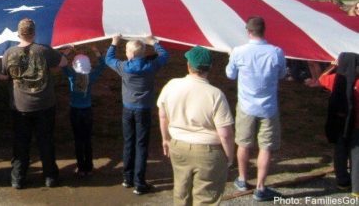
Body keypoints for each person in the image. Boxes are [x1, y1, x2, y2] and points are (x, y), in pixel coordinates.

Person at [157, 46, 235, 205]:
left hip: (178, 146)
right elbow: (225, 133)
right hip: (208, 151)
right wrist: (229, 155)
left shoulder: (172, 85)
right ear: (210, 68)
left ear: (188, 65)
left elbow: (163, 115)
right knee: (206, 198)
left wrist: (165, 139)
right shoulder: (215, 94)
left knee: (181, 192)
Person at [0, 18, 68, 189]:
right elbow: (63, 63)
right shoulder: (44, 50)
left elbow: (2, 76)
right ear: (34, 33)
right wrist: (62, 55)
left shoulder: (9, 53)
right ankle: (50, 177)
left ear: (18, 33)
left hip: (20, 106)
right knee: (46, 141)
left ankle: (18, 179)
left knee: (21, 143)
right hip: (44, 104)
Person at [226, 16, 286, 201]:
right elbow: (282, 73)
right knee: (266, 147)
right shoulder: (276, 52)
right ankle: (260, 187)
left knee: (243, 143)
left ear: (248, 31)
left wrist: (231, 58)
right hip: (269, 106)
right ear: (264, 30)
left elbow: (230, 75)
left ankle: (243, 178)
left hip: (246, 105)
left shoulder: (239, 52)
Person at [106, 34, 169, 195]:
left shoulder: (123, 67)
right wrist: (155, 42)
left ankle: (128, 178)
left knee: (129, 143)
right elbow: (165, 55)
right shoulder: (150, 66)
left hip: (128, 109)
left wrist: (114, 43)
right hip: (144, 110)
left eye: (126, 51)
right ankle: (139, 182)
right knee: (141, 145)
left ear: (130, 54)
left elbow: (108, 59)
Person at [61, 45, 106, 177]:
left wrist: (68, 51)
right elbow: (102, 65)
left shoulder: (71, 76)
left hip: (75, 111)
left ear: (75, 65)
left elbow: (62, 63)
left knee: (78, 140)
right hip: (87, 111)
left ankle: (81, 168)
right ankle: (89, 167)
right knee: (87, 140)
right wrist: (96, 50)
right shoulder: (90, 77)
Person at [318, 53, 359, 195]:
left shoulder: (336, 79)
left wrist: (332, 66)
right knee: (356, 155)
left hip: (340, 122)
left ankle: (342, 182)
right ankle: (357, 188)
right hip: (357, 125)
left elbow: (321, 78)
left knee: (340, 152)